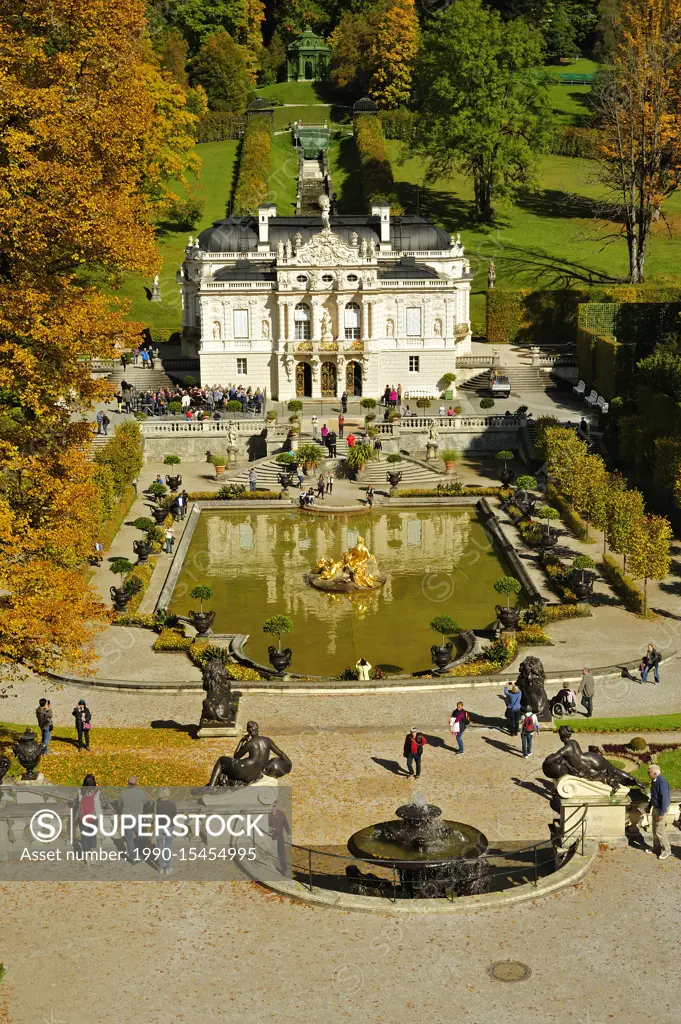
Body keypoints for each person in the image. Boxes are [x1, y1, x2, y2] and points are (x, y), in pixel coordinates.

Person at [120, 777, 147, 865]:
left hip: (127, 818)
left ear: (128, 783)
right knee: (140, 837)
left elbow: (119, 804)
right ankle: (140, 854)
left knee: (129, 839)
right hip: (137, 818)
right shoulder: (141, 792)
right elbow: (145, 802)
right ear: (136, 783)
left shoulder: (123, 793)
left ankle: (133, 858)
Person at [647, 763, 671, 859]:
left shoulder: (662, 782)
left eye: (649, 773)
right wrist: (649, 806)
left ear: (655, 773)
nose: (648, 774)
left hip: (661, 809)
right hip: (656, 808)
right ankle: (656, 848)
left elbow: (665, 798)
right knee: (654, 830)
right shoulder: (654, 780)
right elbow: (654, 796)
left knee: (660, 831)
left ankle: (667, 850)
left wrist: (662, 813)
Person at [153, 787, 177, 875]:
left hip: (158, 827)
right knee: (168, 847)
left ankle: (160, 867)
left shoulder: (155, 804)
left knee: (159, 847)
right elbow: (175, 814)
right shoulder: (171, 804)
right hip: (169, 827)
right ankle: (168, 867)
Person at [78, 774, 102, 856]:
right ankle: (92, 856)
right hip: (94, 816)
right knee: (93, 836)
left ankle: (86, 856)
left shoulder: (80, 791)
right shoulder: (97, 791)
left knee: (84, 836)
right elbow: (101, 803)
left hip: (83, 817)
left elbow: (79, 804)